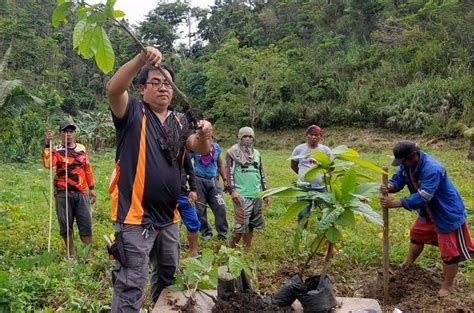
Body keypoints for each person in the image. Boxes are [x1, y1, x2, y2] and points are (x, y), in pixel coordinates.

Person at [106, 47, 212, 311]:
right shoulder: (132, 112)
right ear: (142, 89)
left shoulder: (178, 120)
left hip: (169, 216)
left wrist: (204, 134)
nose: (163, 88)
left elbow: (200, 148)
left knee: (167, 278)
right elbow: (114, 89)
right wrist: (142, 58)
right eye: (155, 82)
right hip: (135, 218)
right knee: (131, 282)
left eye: (167, 83)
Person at [380, 140, 474, 297]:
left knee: (449, 253)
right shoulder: (407, 165)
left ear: (413, 156)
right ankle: (407, 265)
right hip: (428, 213)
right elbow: (399, 178)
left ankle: (447, 285)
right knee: (417, 236)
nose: (402, 165)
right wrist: (390, 186)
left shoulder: (432, 169)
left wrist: (395, 203)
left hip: (446, 213)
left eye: (404, 161)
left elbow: (424, 196)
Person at [42, 121, 96, 258]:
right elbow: (49, 165)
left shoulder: (81, 149)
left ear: (75, 133)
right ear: (60, 134)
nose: (69, 134)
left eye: (71, 131)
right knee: (66, 225)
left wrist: (92, 188)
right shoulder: (56, 150)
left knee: (86, 224)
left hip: (82, 192)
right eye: (65, 132)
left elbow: (87, 169)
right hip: (63, 193)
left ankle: (86, 257)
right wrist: (47, 145)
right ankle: (70, 254)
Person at [226, 127, 269, 249]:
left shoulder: (257, 154)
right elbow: (229, 173)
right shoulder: (232, 153)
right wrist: (232, 190)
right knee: (240, 226)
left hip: (256, 194)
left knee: (251, 225)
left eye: (250, 136)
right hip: (241, 195)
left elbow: (261, 173)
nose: (247, 139)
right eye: (245, 136)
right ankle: (229, 251)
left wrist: (265, 192)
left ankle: (247, 250)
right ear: (239, 137)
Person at [190, 133, 229, 241]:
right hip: (198, 180)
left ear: (212, 138)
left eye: (210, 137)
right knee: (199, 209)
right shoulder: (195, 149)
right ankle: (206, 232)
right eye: (205, 138)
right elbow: (187, 162)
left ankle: (223, 234)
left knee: (220, 207)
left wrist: (225, 179)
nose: (208, 140)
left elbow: (220, 164)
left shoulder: (216, 148)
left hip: (213, 181)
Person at [290, 125, 332, 221]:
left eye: (316, 135)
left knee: (324, 215)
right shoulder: (299, 149)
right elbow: (293, 165)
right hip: (303, 188)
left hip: (321, 189)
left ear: (320, 137)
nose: (313, 137)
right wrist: (305, 176)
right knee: (302, 215)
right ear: (306, 135)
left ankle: (323, 235)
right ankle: (301, 234)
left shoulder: (326, 150)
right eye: (311, 134)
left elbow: (331, 168)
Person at [178, 151, 200, 257]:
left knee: (194, 222)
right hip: (166, 196)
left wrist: (193, 189)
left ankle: (193, 252)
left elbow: (190, 171)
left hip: (184, 195)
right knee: (170, 228)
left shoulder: (182, 151)